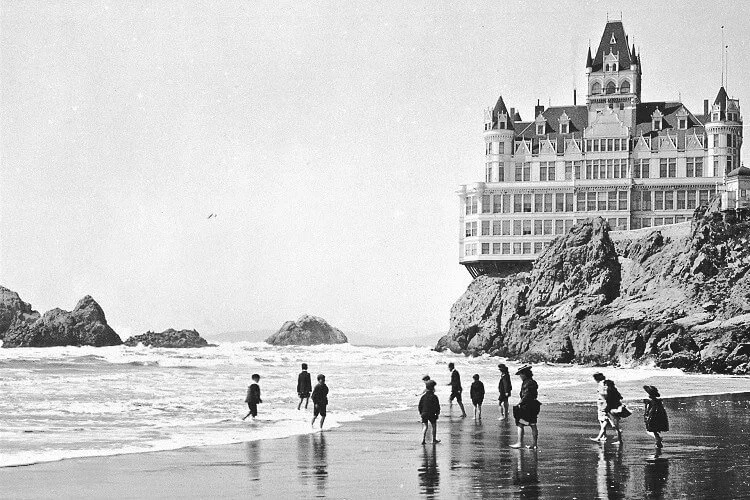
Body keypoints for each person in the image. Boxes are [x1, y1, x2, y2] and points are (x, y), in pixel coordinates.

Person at [509, 365, 540, 449]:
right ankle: (534, 444)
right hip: (534, 405)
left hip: (527, 406)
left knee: (520, 423)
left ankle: (519, 443)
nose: (520, 376)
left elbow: (526, 395)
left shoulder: (526, 383)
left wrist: (520, 403)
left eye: (521, 374)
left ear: (524, 374)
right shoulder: (533, 382)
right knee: (533, 424)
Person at [590, 373, 623, 443]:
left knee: (607, 422)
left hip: (604, 406)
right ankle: (602, 437)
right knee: (608, 422)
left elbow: (603, 395)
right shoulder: (609, 385)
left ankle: (603, 437)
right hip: (608, 406)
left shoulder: (602, 385)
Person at [418, 379, 441, 444]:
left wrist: (421, 413)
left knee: (425, 426)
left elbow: (420, 406)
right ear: (433, 388)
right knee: (434, 425)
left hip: (424, 413)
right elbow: (437, 406)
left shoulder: (423, 397)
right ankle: (434, 439)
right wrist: (437, 413)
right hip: (431, 414)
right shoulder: (434, 396)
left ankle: (423, 440)